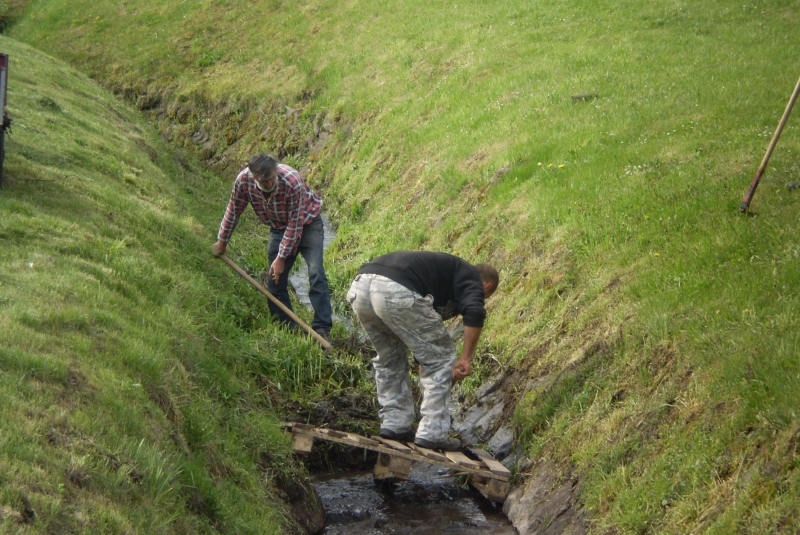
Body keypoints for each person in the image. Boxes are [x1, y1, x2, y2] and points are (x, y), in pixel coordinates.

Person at [347, 251, 499, 451]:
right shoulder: (471, 278)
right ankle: (432, 433)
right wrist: (465, 358)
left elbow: (423, 346)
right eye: (485, 296)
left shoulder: (438, 279)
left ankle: (395, 423)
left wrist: (428, 378)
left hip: (362, 285)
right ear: (487, 287)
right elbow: (475, 311)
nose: (481, 298)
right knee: (443, 357)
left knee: (390, 357)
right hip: (395, 289)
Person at [212, 153, 333, 339]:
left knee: (316, 272)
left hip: (308, 223)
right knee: (275, 279)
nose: (269, 184)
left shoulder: (292, 181)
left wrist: (281, 258)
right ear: (253, 177)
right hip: (278, 227)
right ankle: (288, 327)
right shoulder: (243, 182)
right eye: (264, 181)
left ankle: (322, 329)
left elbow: (295, 224)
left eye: (271, 179)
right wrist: (222, 241)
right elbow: (234, 210)